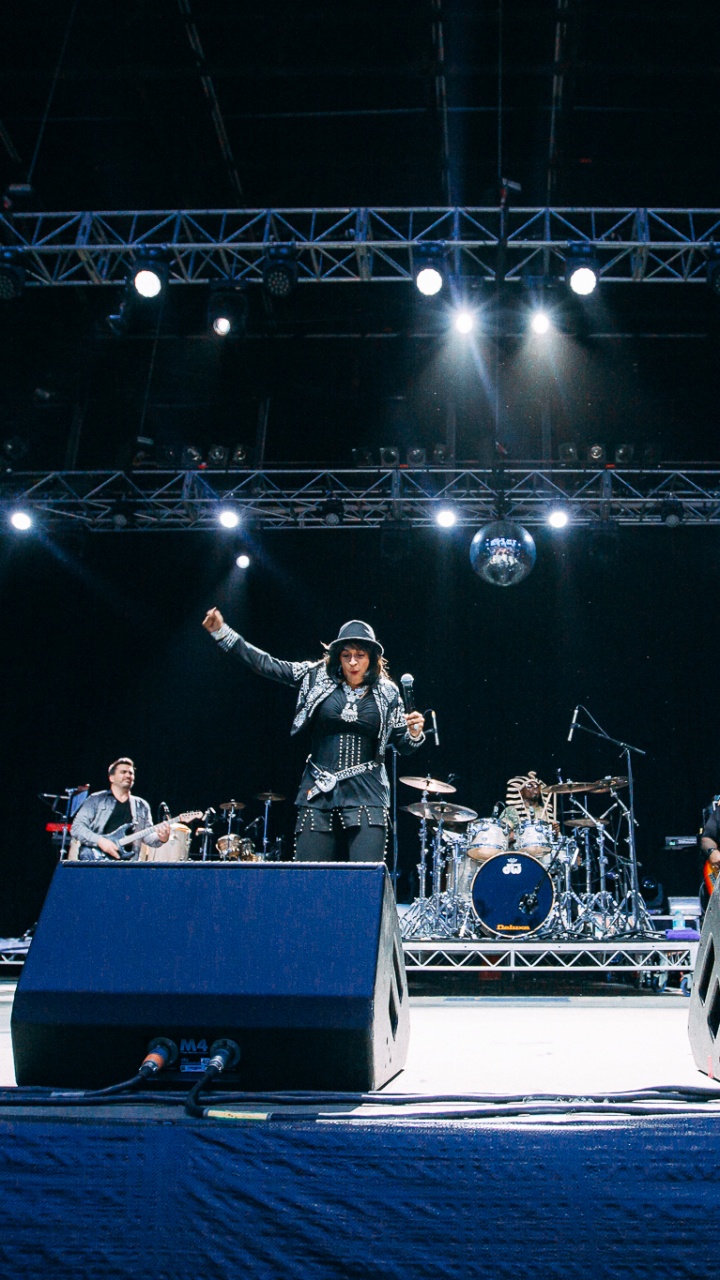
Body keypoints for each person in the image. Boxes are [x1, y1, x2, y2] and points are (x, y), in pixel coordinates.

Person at [202, 609, 425, 861]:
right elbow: (267, 664)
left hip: (368, 789)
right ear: (338, 657)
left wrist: (414, 733)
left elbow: (404, 745)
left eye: (360, 656)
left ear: (372, 658)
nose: (352, 662)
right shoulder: (315, 676)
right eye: (346, 655)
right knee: (309, 874)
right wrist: (222, 633)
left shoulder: (388, 692)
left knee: (366, 875)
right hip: (318, 786)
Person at [69, 757, 171, 861]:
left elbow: (147, 837)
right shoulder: (95, 799)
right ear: (111, 778)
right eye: (123, 772)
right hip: (94, 858)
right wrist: (100, 841)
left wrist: (161, 838)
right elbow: (77, 828)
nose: (128, 775)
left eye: (131, 773)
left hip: (127, 865)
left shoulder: (142, 805)